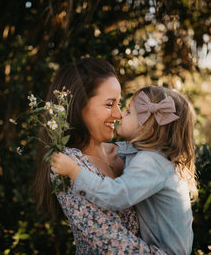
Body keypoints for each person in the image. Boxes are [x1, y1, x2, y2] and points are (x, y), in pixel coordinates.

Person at [33, 58, 167, 254]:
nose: (119, 114)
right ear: (79, 106)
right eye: (109, 104)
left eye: (119, 104)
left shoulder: (127, 152)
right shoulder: (68, 166)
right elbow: (116, 245)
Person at [51, 85, 197, 255]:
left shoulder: (150, 161)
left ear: (148, 128)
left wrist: (75, 172)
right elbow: (125, 151)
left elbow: (116, 195)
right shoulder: (155, 158)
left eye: (128, 112)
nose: (120, 115)